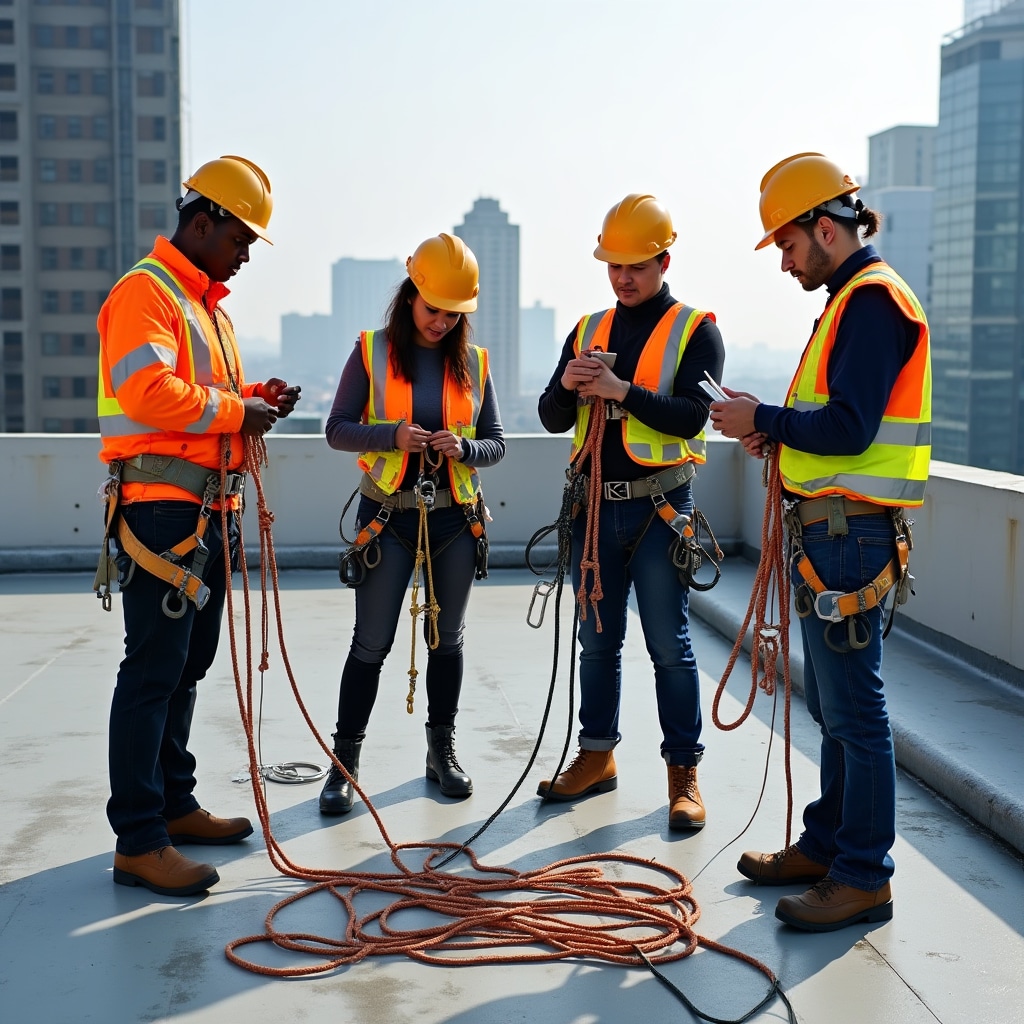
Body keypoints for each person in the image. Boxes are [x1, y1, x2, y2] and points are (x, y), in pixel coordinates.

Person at [709, 152, 930, 931]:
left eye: (789, 245)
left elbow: (850, 428)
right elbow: (832, 429)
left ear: (826, 228)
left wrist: (763, 421)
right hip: (832, 533)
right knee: (839, 710)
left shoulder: (871, 303)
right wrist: (772, 431)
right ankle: (831, 845)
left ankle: (864, 874)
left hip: (849, 537)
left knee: (856, 713)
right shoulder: (851, 300)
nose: (786, 262)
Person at [95, 155, 301, 897]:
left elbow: (199, 396)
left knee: (187, 665)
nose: (245, 255)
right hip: (162, 509)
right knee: (152, 670)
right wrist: (237, 411)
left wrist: (252, 396)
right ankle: (139, 839)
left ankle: (174, 805)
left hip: (206, 507)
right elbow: (147, 391)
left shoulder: (204, 306)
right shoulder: (145, 293)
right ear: (202, 221)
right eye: (240, 239)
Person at [536, 194, 725, 830]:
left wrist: (622, 392)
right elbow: (550, 415)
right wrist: (567, 386)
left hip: (660, 510)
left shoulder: (696, 331)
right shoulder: (587, 330)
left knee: (669, 644)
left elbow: (694, 416)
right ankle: (596, 757)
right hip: (595, 511)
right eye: (614, 265)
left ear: (664, 260)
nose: (623, 277)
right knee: (597, 642)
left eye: (636, 266)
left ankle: (683, 772)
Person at [320, 232, 505, 815]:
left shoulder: (473, 363)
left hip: (455, 519)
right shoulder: (371, 350)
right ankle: (344, 764)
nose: (442, 323)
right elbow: (337, 428)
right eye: (433, 310)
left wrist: (465, 449)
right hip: (388, 518)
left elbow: (496, 444)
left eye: (454, 315)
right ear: (410, 296)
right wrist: (392, 436)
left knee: (446, 642)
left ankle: (440, 752)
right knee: (370, 643)